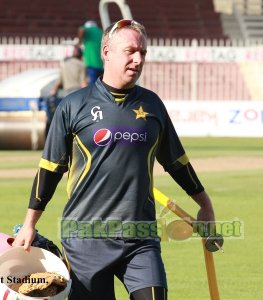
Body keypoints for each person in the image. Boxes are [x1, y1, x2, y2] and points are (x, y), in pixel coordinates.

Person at [13, 19, 216, 300]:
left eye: (143, 52)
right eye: (130, 51)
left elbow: (177, 162)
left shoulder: (153, 105)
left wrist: (205, 205)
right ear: (106, 52)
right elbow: (50, 169)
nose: (138, 59)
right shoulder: (73, 105)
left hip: (140, 238)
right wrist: (29, 223)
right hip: (85, 239)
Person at [45, 45, 87, 136]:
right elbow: (83, 83)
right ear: (81, 56)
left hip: (67, 95)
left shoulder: (65, 65)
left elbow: (58, 83)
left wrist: (53, 93)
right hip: (78, 94)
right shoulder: (81, 65)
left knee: (68, 119)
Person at [78, 20, 104, 84]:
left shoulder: (87, 30)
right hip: (101, 65)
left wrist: (80, 41)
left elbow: (81, 30)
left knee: (93, 87)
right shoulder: (100, 31)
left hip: (91, 64)